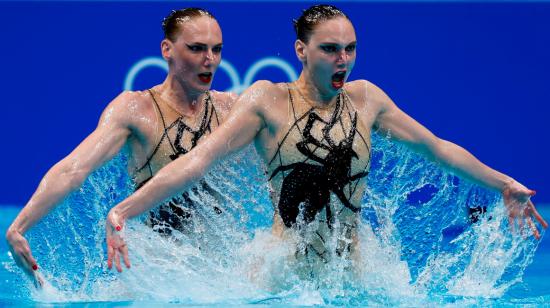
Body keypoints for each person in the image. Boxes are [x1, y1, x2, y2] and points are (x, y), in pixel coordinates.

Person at [106, 5, 547, 276]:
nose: (344, 59)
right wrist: (124, 211)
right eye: (330, 49)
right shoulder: (267, 101)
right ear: (301, 51)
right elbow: (197, 160)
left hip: (352, 270)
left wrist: (502, 183)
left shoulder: (367, 99)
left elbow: (437, 148)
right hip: (283, 274)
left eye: (350, 48)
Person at [5, 8, 236, 285]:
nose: (209, 60)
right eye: (197, 49)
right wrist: (19, 228)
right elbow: (73, 170)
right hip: (159, 272)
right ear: (167, 49)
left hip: (221, 272)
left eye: (217, 49)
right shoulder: (136, 110)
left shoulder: (229, 111)